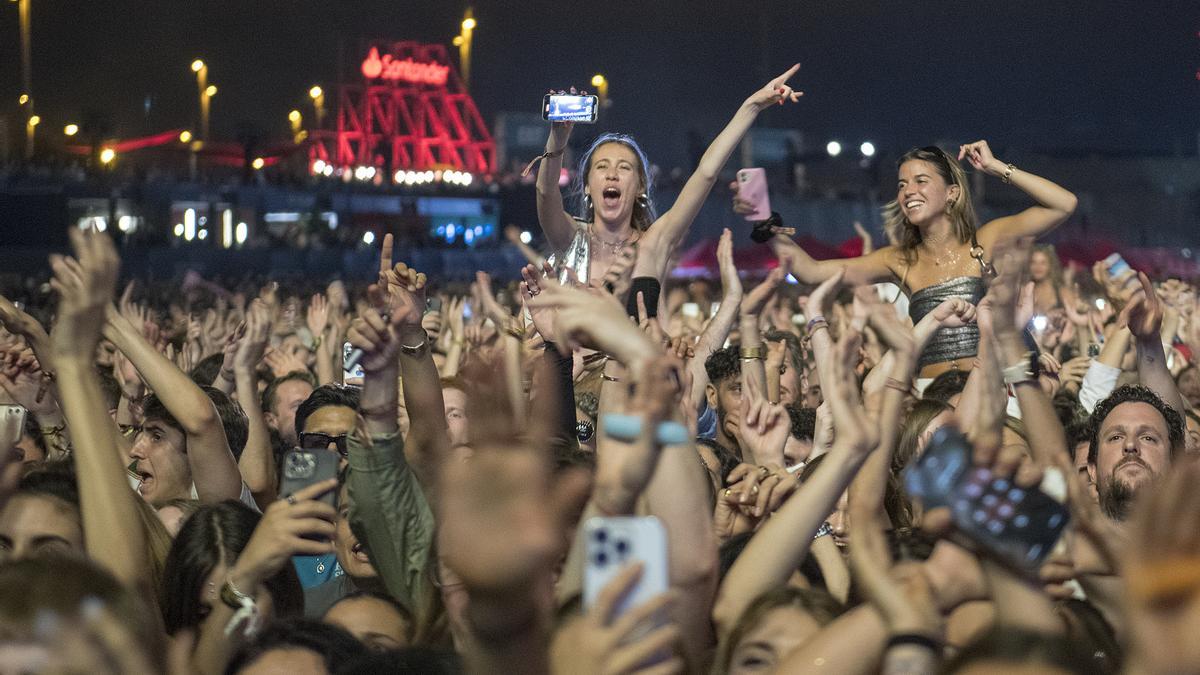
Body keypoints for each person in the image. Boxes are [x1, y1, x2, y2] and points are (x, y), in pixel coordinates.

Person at [738, 142, 1077, 378]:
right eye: (902, 185)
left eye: (920, 181)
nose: (908, 191)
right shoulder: (899, 260)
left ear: (952, 193)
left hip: (988, 392)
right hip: (931, 401)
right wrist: (762, 221)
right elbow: (811, 272)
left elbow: (1063, 204)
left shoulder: (986, 241)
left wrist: (995, 167)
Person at [533, 66, 803, 314]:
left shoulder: (654, 242)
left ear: (640, 186)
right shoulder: (569, 238)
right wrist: (558, 137)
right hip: (568, 367)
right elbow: (546, 191)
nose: (613, 174)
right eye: (602, 167)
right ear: (588, 186)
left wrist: (751, 106)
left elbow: (706, 173)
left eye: (624, 168)